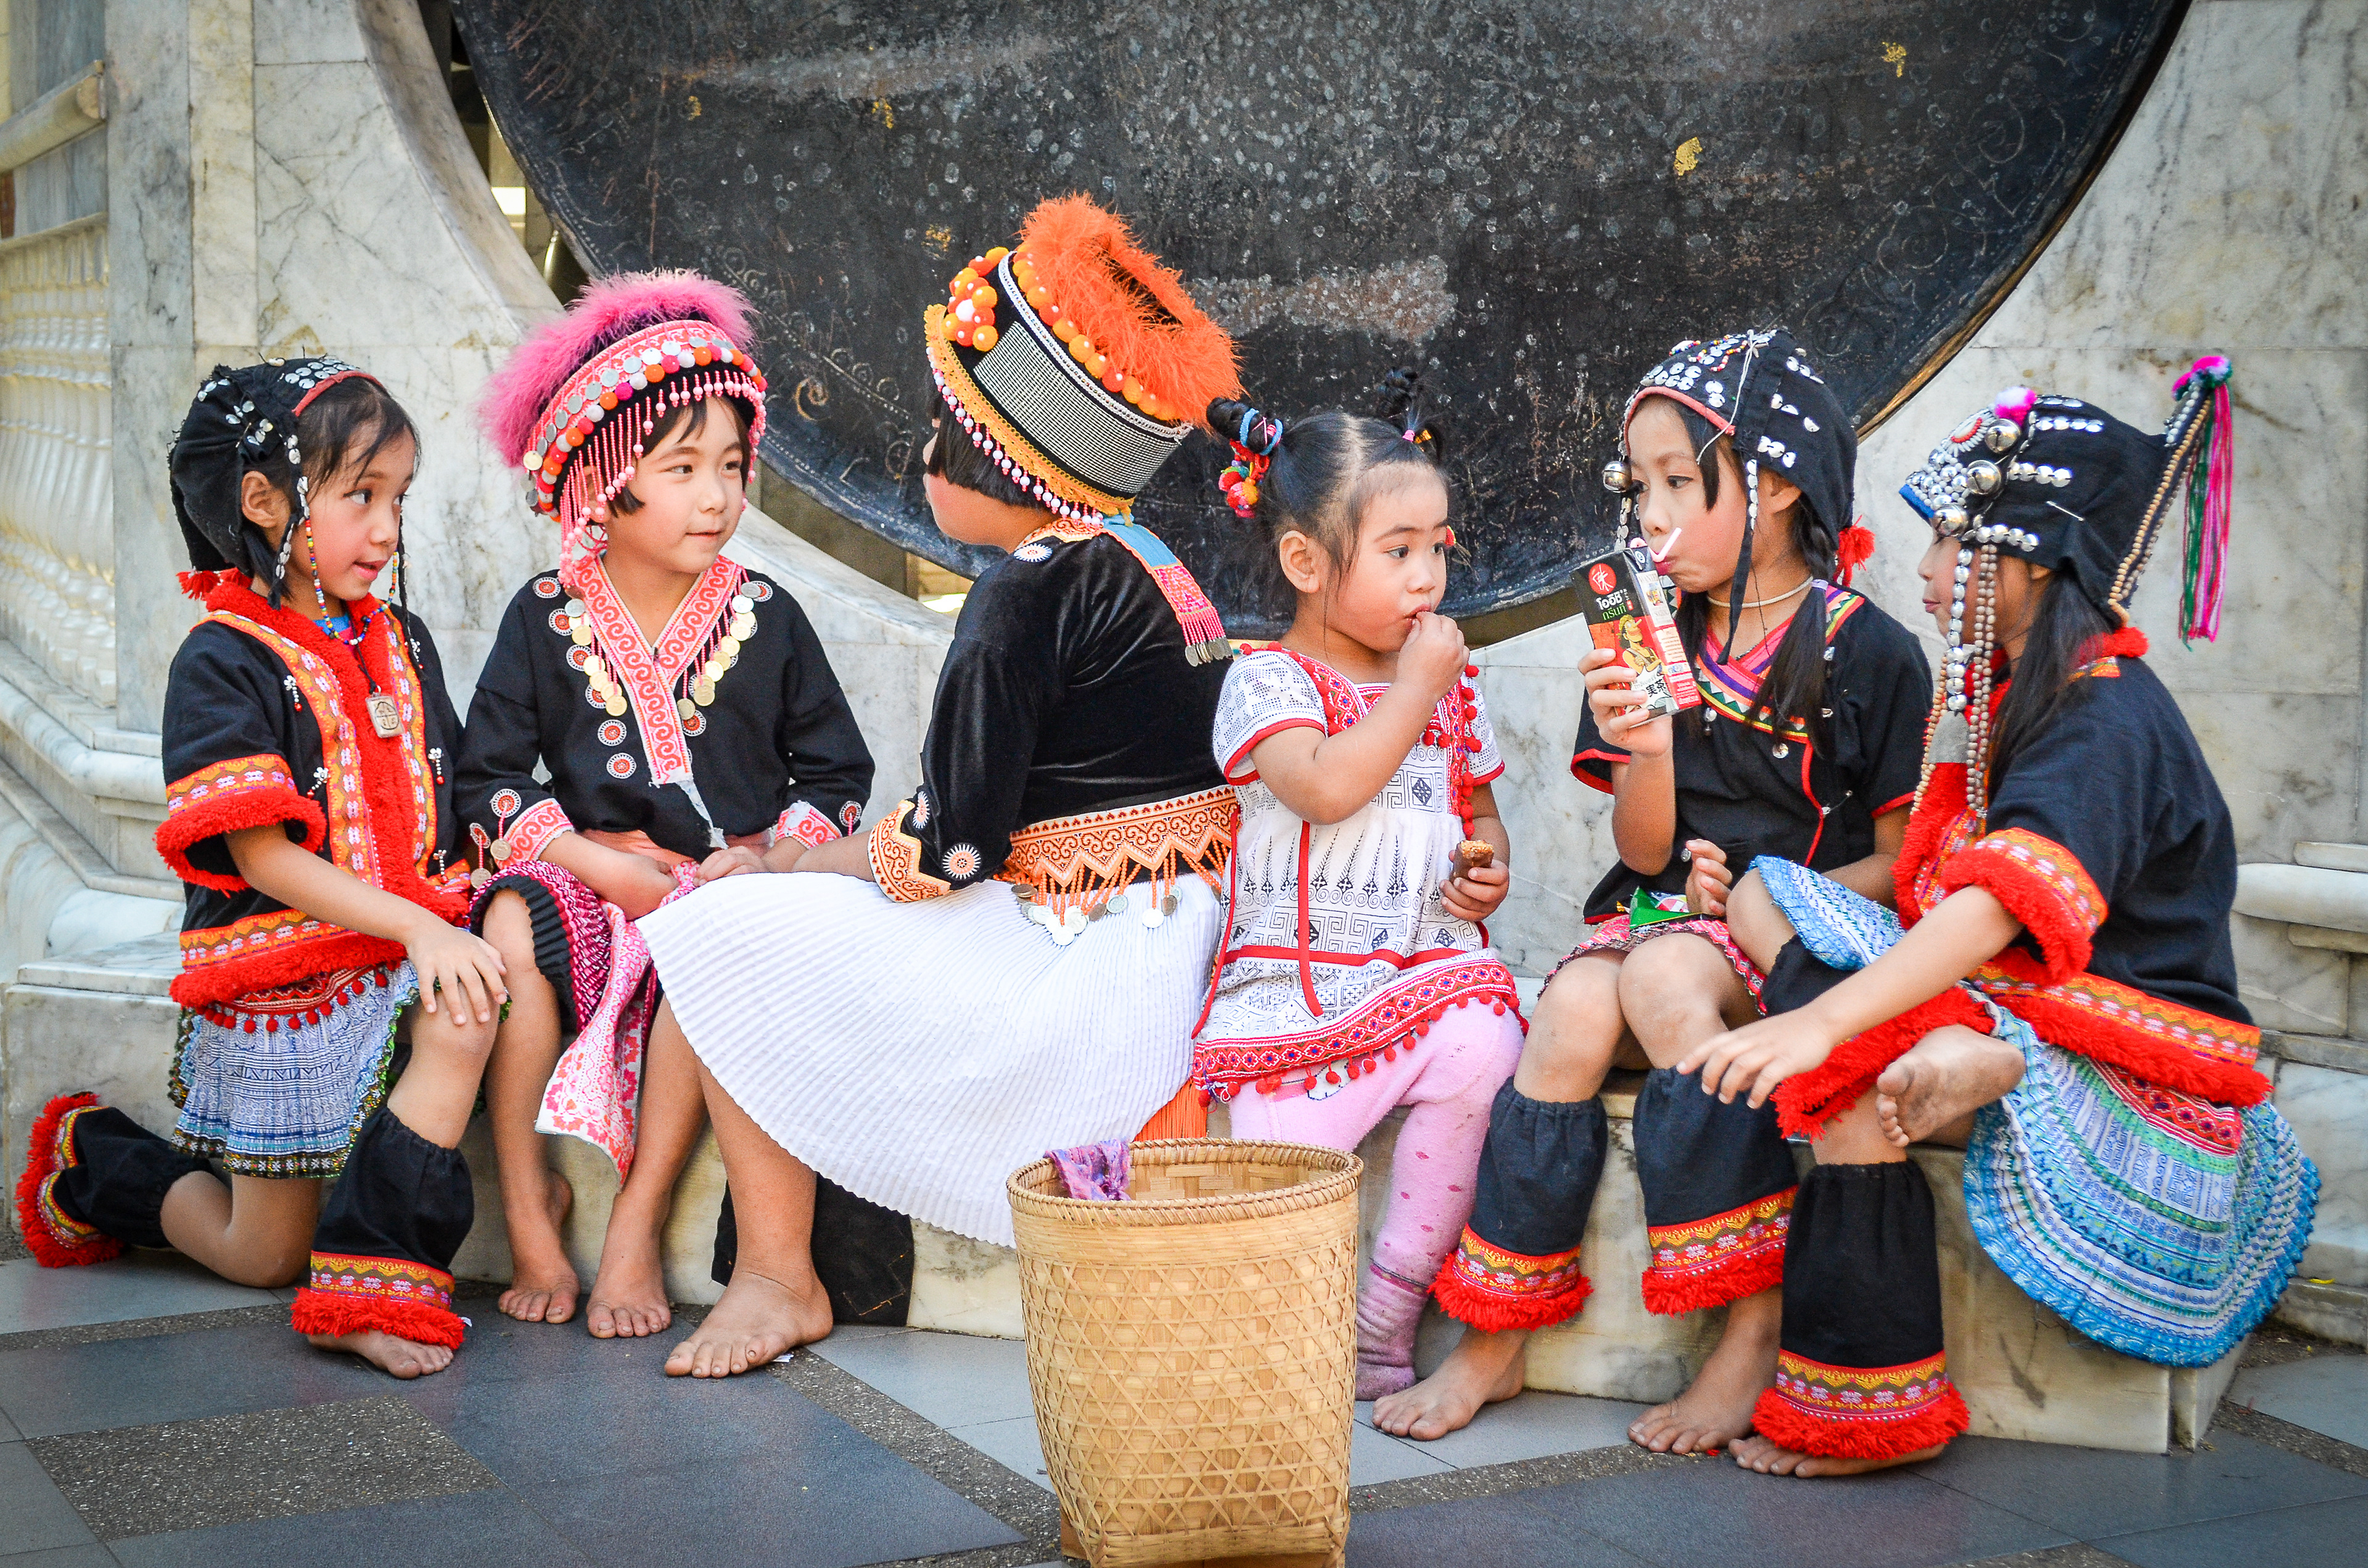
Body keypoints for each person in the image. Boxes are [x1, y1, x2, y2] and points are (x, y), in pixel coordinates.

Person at [637, 195, 1246, 1376]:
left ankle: (776, 1277)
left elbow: (954, 849)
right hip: (1160, 932)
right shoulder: (1149, 558)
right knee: (752, 913)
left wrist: (787, 860)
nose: (922, 457)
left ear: (995, 453)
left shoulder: (1024, 588)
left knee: (721, 927)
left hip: (1081, 962)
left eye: (939, 427)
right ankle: (782, 1271)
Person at [1680, 360, 2319, 1476]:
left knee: (1850, 1094)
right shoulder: (2013, 685)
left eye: (1947, 545)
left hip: (2120, 1035)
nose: (1924, 571)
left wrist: (1822, 1026)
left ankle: (1865, 1407)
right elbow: (1932, 884)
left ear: (2026, 560)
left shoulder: (2103, 718)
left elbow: (1990, 908)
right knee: (1770, 886)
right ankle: (1949, 1044)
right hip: (2011, 990)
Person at [1379, 330, 1931, 1445]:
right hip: (1657, 906)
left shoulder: (1871, 652)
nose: (1652, 517)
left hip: (1783, 940)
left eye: (1684, 482)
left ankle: (1751, 1330)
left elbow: (1904, 863)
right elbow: (1643, 856)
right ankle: (1496, 1337)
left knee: (1670, 978)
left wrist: (1771, 892)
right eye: (1641, 487)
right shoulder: (1641, 631)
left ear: (1773, 489)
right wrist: (1652, 744)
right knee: (1576, 1005)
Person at [15, 361, 500, 1379]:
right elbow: (262, 856)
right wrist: (419, 928)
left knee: (468, 1015)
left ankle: (372, 1279)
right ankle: (98, 1164)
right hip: (290, 976)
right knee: (259, 1254)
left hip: (406, 942)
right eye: (360, 496)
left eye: (398, 500)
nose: (386, 529)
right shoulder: (222, 660)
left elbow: (451, 800)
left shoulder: (402, 641)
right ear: (265, 499)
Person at [461, 273, 874, 1337]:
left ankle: (636, 1223)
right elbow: (490, 780)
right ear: (600, 480)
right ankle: (529, 1203)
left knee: (712, 935)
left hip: (712, 889)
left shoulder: (768, 617)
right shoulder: (544, 615)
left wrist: (769, 858)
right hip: (590, 883)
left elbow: (835, 773)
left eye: (732, 468)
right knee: (507, 922)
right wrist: (598, 867)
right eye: (681, 468)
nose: (717, 498)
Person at [1191, 379, 1520, 1400]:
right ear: (1305, 562)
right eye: (1397, 551)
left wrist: (1484, 872)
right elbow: (1326, 788)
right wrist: (1414, 691)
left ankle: (1390, 1306)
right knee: (1284, 1180)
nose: (1428, 576)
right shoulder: (1268, 683)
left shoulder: (1450, 688)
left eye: (1440, 547)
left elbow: (1480, 816)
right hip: (1299, 995)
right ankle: (1293, 1334)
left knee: (1490, 1044)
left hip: (1425, 974)